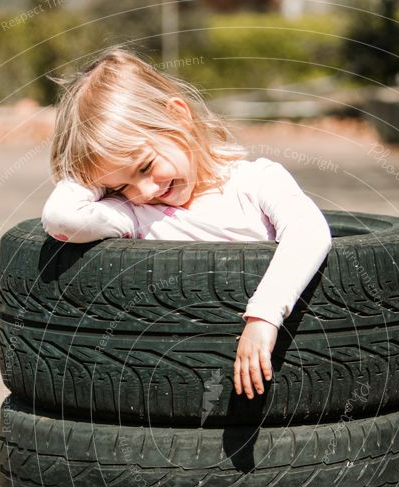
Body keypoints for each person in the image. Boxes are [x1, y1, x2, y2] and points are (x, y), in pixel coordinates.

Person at [41, 48, 332, 400]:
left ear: (178, 117)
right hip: (177, 384)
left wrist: (263, 316)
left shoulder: (255, 183)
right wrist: (90, 172)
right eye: (119, 185)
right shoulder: (135, 214)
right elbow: (62, 219)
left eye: (145, 166)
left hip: (270, 369)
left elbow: (309, 232)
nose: (144, 190)